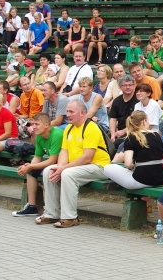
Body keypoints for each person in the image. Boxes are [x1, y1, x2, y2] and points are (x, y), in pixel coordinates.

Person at [35, 98, 111, 228]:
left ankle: (69, 217)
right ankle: (51, 213)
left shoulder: (91, 127)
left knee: (68, 174)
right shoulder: (69, 128)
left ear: (82, 113)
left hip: (99, 166)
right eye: (67, 111)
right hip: (80, 166)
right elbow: (64, 152)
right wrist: (60, 167)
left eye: (71, 112)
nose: (68, 115)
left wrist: (64, 169)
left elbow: (87, 157)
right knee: (49, 170)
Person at [102, 110, 163, 190]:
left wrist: (135, 167)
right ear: (144, 121)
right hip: (161, 178)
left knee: (107, 168)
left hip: (142, 180)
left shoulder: (131, 137)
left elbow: (128, 164)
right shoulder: (156, 135)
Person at [11, 113, 62, 217]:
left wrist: (31, 166)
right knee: (31, 171)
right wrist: (28, 167)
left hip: (63, 164)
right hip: (53, 164)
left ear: (47, 125)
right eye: (32, 124)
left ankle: (50, 208)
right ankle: (32, 206)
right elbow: (37, 157)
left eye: (37, 124)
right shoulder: (39, 136)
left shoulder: (56, 134)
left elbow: (52, 160)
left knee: (46, 172)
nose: (33, 127)